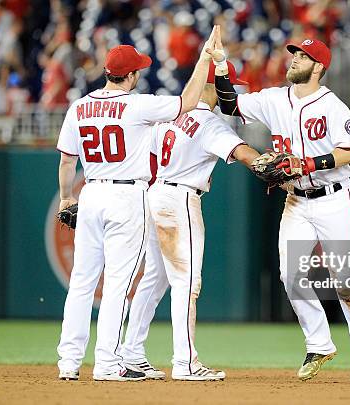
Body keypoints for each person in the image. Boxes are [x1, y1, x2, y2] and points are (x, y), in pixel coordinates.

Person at [55, 26, 220, 382]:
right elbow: (189, 101)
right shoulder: (137, 104)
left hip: (91, 190)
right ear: (129, 75)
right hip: (126, 195)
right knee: (117, 283)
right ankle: (108, 363)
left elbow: (68, 161)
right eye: (137, 71)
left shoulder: (80, 106)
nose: (138, 75)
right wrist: (206, 58)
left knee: (82, 282)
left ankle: (68, 363)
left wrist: (68, 196)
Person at [213, 38, 350, 384]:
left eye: (303, 57)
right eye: (295, 55)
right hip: (296, 202)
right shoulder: (274, 98)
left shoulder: (333, 106)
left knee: (344, 281)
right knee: (291, 276)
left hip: (335, 200)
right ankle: (319, 344)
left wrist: (307, 163)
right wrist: (219, 65)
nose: (295, 60)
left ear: (318, 67)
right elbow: (229, 105)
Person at [120, 61, 260, 381]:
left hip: (155, 194)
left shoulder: (171, 113)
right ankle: (185, 363)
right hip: (181, 200)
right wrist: (269, 164)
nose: (230, 93)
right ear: (209, 86)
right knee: (187, 284)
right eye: (224, 86)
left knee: (154, 280)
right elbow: (241, 152)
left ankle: (131, 354)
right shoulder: (210, 123)